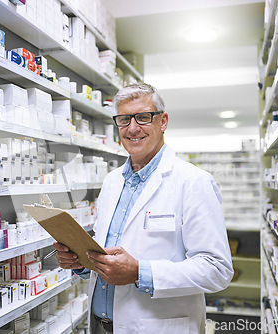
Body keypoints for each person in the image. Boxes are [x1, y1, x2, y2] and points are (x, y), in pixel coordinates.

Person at [53, 82, 233, 334]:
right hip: (100, 326)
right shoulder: (112, 181)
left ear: (163, 121)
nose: (133, 128)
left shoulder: (193, 182)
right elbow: (107, 250)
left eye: (143, 117)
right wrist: (81, 262)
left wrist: (140, 272)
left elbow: (217, 270)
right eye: (124, 119)